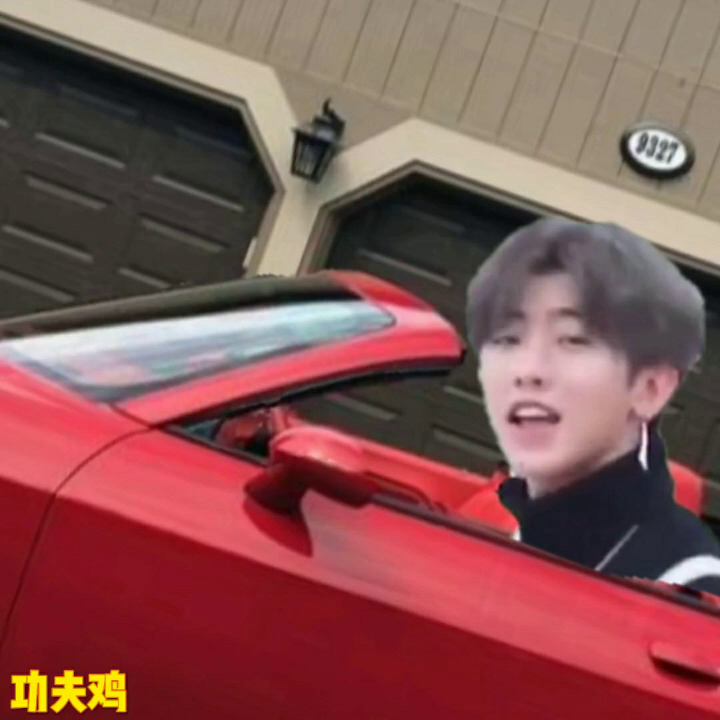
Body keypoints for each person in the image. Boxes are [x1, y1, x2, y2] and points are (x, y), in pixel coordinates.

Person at [465, 217, 720, 596]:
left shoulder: (688, 586)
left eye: (573, 340)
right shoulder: (505, 521)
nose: (528, 370)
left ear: (650, 389)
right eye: (511, 337)